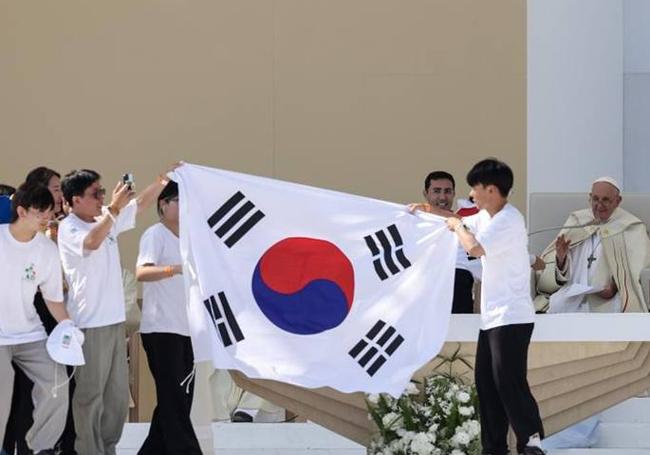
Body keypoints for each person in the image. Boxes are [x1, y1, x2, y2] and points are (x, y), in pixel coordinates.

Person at [412, 158, 545, 455]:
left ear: (492, 190)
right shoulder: (487, 216)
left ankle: (531, 440)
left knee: (509, 382)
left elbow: (473, 247)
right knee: (486, 385)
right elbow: (454, 219)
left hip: (512, 317)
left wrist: (457, 223)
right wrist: (425, 210)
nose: (471, 194)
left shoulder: (509, 220)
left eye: (476, 187)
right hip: (492, 318)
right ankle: (494, 448)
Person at [58, 167, 175, 455]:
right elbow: (91, 242)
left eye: (102, 191)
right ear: (74, 200)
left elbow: (141, 205)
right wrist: (112, 209)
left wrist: (163, 180)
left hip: (114, 324)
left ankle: (107, 448)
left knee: (118, 398)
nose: (101, 197)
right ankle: (89, 451)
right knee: (90, 396)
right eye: (94, 193)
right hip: (89, 324)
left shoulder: (105, 219)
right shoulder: (69, 227)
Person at [0, 183, 73, 455]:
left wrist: (67, 325)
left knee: (57, 384)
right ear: (20, 210)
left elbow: (52, 298)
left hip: (30, 334)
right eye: (39, 212)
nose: (46, 218)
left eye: (48, 212)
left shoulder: (47, 250)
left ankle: (41, 448)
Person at [135, 181, 202, 454]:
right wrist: (174, 269)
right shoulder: (155, 234)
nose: (184, 205)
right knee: (174, 400)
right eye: (178, 199)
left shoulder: (189, 238)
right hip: (161, 329)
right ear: (163, 205)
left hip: (187, 329)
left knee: (179, 401)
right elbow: (142, 272)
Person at [535, 177, 650, 313]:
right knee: (557, 305)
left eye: (606, 200)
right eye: (595, 199)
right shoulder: (578, 221)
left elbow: (636, 268)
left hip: (610, 298)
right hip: (573, 294)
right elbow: (558, 272)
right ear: (590, 197)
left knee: (616, 310)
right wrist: (561, 259)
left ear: (618, 201)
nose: (599, 205)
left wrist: (614, 285)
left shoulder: (631, 227)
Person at [423, 171, 481, 313]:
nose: (442, 197)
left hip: (458, 285)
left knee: (458, 275)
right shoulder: (414, 223)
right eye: (436, 191)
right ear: (426, 193)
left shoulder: (465, 224)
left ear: (454, 193)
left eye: (447, 191)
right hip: (423, 286)